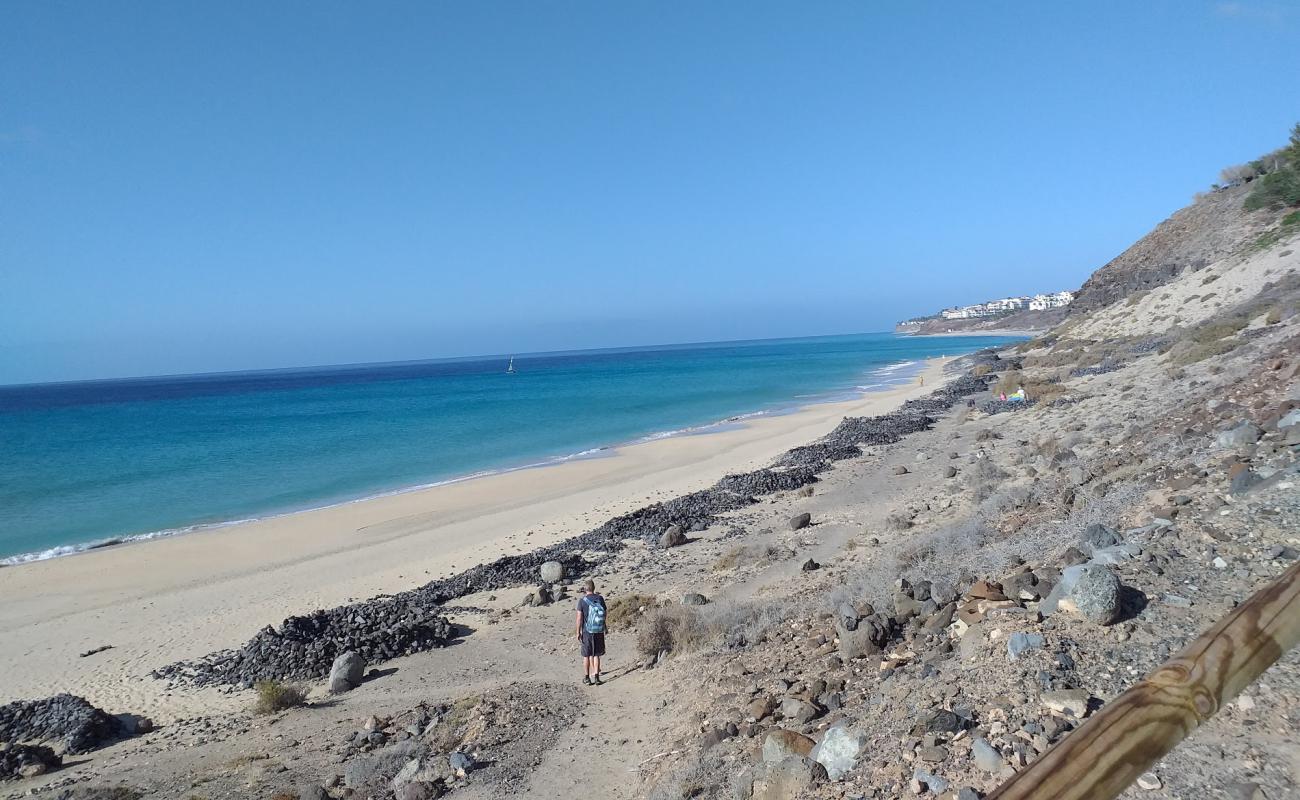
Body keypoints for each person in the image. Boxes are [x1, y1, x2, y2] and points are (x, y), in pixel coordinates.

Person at [576, 579, 607, 685]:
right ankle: (597, 678)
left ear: (585, 589)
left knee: (587, 655)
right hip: (598, 630)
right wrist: (604, 627)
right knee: (596, 655)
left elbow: (579, 618)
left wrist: (578, 632)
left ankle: (587, 678)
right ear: (594, 588)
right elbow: (604, 614)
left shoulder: (582, 601)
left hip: (587, 631)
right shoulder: (600, 598)